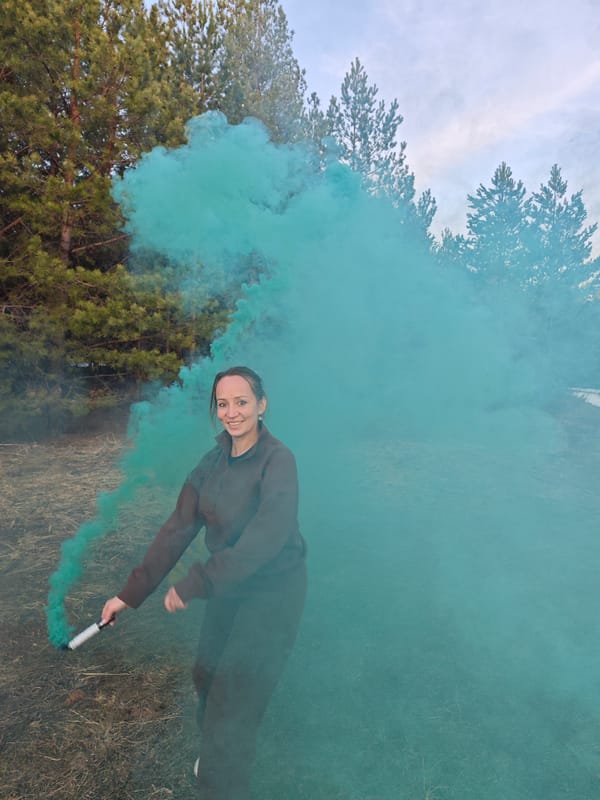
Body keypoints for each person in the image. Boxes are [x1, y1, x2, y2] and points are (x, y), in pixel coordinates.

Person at [102, 366, 307, 800]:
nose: (231, 412)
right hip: (229, 586)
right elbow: (178, 527)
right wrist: (129, 594)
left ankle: (221, 781)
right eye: (223, 404)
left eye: (242, 402)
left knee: (236, 693)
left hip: (274, 589)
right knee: (208, 674)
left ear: (262, 404)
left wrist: (198, 581)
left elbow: (264, 539)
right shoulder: (211, 463)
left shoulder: (279, 460)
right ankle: (216, 754)